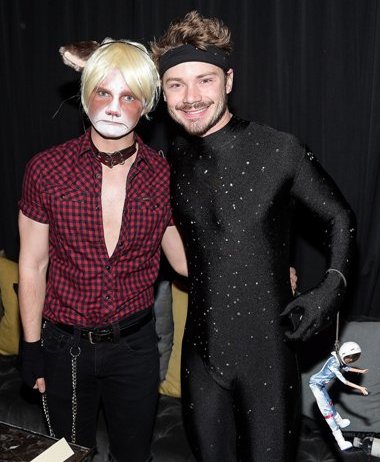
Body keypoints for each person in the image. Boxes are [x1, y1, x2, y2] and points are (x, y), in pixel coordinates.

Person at [150, 11, 356, 462]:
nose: (190, 98)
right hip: (200, 358)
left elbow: (340, 217)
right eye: (175, 85)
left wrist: (331, 287)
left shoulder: (278, 148)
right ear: (162, 93)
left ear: (228, 80)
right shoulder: (174, 157)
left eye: (204, 80)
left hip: (266, 356)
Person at [18, 39, 186, 462]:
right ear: (86, 94)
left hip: (135, 347)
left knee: (133, 455)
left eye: (128, 96)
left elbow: (185, 261)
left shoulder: (165, 174)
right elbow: (33, 264)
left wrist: (267, 263)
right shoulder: (46, 168)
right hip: (63, 346)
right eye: (103, 92)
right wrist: (31, 346)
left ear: (146, 105)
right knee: (62, 455)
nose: (113, 106)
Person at [309, 341, 368, 451]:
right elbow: (345, 382)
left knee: (330, 403)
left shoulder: (339, 360)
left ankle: (340, 421)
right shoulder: (334, 364)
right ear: (343, 354)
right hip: (316, 385)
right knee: (328, 414)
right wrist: (360, 388)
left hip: (320, 385)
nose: (351, 360)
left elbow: (347, 368)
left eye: (353, 358)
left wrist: (360, 371)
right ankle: (341, 441)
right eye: (350, 358)